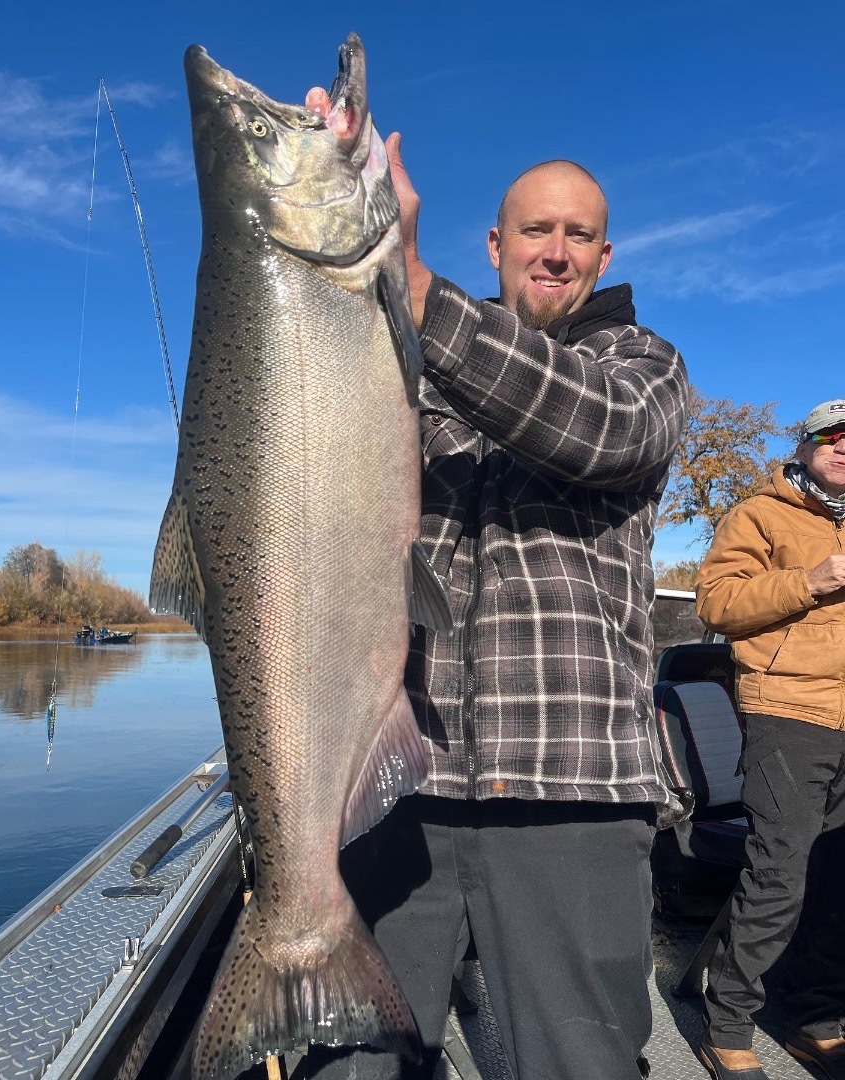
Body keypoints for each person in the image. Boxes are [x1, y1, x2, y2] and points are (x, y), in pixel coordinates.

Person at [304, 89, 688, 1080]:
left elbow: (601, 430)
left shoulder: (640, 365)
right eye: (535, 229)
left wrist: (420, 291)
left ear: (605, 255)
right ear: (495, 243)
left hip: (574, 801)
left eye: (579, 233)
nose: (555, 249)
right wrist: (322, 231)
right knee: (355, 1064)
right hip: (401, 790)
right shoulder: (415, 370)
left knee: (577, 1065)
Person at [695, 399, 845, 1080]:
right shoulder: (760, 514)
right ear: (806, 445)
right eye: (832, 437)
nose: (844, 448)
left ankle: (811, 1013)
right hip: (789, 711)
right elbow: (717, 604)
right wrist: (811, 580)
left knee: (837, 875)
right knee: (780, 872)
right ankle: (726, 1019)